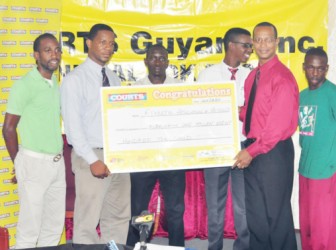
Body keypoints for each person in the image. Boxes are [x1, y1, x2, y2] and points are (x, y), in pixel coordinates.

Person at [60, 23, 131, 244]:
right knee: (87, 220)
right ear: (89, 43)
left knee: (118, 217)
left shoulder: (114, 77)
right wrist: (92, 160)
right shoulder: (75, 80)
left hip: (116, 157)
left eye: (111, 44)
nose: (107, 48)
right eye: (102, 42)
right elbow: (73, 128)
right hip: (90, 156)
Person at [233, 22, 299, 249]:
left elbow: (276, 127)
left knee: (276, 216)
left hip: (273, 153)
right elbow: (254, 113)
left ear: (277, 42)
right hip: (254, 149)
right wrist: (227, 109)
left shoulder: (282, 77)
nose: (262, 44)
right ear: (252, 43)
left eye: (268, 39)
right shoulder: (253, 76)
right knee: (256, 216)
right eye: (258, 40)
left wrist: (250, 152)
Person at [2, 33, 65, 249]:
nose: (54, 55)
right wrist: (19, 162)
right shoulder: (24, 85)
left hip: (57, 163)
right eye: (48, 50)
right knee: (29, 230)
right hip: (33, 163)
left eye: (57, 50)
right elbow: (8, 128)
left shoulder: (55, 81)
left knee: (53, 228)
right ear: (36, 55)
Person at [126, 44, 185, 248]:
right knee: (138, 208)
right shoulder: (134, 90)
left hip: (173, 158)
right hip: (143, 160)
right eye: (153, 58)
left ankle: (176, 247)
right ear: (146, 61)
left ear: (168, 62)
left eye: (162, 58)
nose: (157, 62)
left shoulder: (181, 89)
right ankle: (133, 246)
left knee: (176, 210)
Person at [197, 27, 251, 250]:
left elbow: (255, 111)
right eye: (245, 45)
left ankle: (244, 247)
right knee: (215, 206)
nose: (250, 49)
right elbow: (199, 110)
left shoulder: (251, 75)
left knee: (243, 205)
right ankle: (214, 247)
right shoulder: (207, 75)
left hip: (244, 147)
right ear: (231, 45)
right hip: (216, 146)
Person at [298, 48, 336, 250]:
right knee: (307, 225)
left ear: (326, 69)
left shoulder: (335, 95)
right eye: (311, 68)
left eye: (320, 69)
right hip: (305, 168)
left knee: (323, 227)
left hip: (325, 171)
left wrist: (334, 156)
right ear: (304, 67)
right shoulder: (302, 95)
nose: (315, 73)